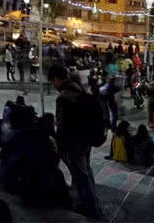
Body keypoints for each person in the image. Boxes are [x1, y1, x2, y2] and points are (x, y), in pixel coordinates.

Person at [47, 64, 102, 219]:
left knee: (81, 176)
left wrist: (61, 146)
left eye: (53, 81)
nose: (53, 85)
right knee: (87, 171)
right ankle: (93, 201)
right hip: (87, 139)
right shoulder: (79, 87)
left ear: (57, 79)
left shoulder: (64, 96)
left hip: (75, 142)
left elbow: (62, 124)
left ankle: (92, 208)